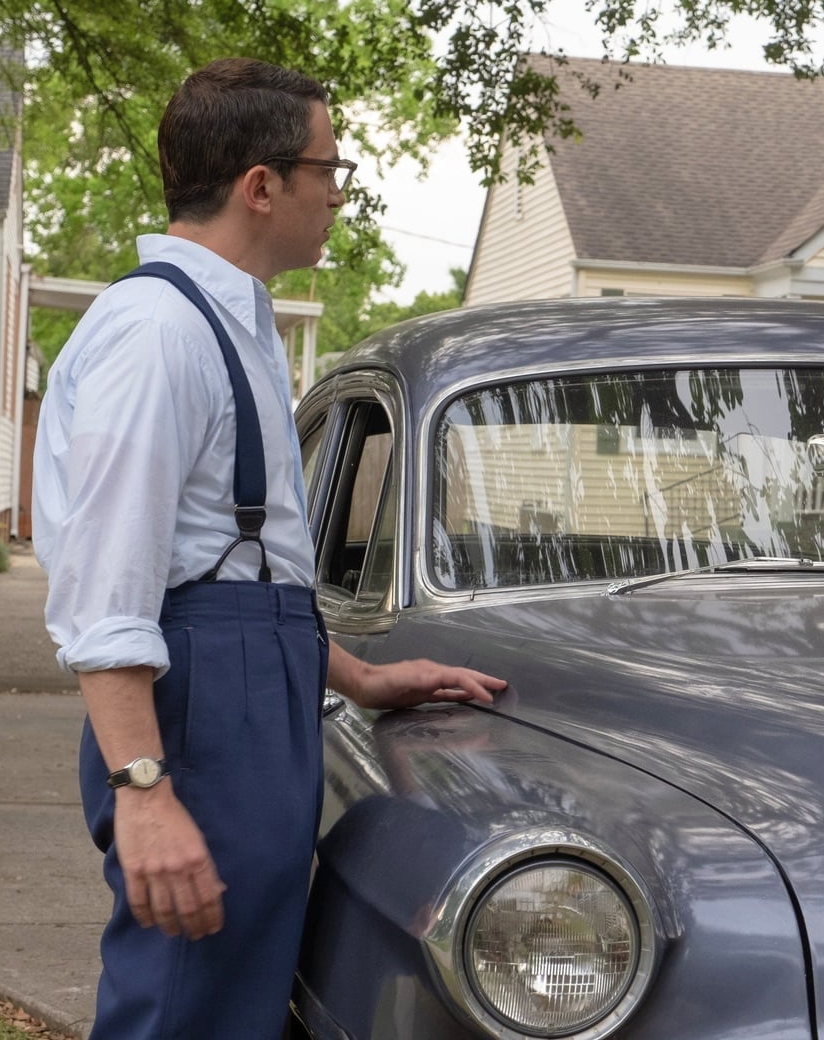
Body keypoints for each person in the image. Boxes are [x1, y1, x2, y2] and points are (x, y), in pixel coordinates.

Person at [32, 58, 506, 1039]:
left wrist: (358, 677)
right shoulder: (158, 332)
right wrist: (145, 792)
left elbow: (233, 572)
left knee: (237, 996)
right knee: (183, 1002)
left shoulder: (230, 323)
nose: (339, 193)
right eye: (329, 168)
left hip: (246, 693)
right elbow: (110, 594)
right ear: (261, 185)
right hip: (199, 724)